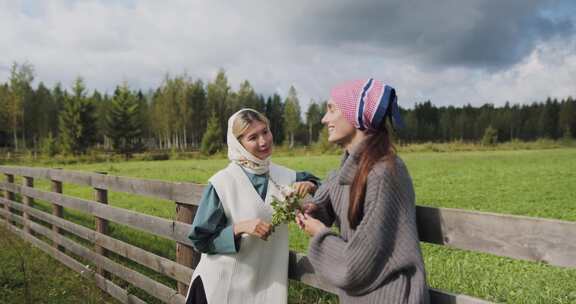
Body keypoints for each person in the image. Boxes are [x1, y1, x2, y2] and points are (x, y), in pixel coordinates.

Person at [296, 79, 430, 303]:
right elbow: (329, 197)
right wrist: (306, 207)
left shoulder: (383, 173)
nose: (324, 118)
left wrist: (319, 233)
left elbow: (356, 265)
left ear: (355, 114)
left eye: (331, 109)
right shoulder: (350, 168)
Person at [185, 108, 320, 304]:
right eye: (253, 137)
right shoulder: (222, 183)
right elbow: (201, 240)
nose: (263, 141)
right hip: (220, 289)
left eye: (265, 131)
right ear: (238, 144)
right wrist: (240, 228)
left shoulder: (286, 177)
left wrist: (311, 186)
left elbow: (326, 187)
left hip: (264, 291)